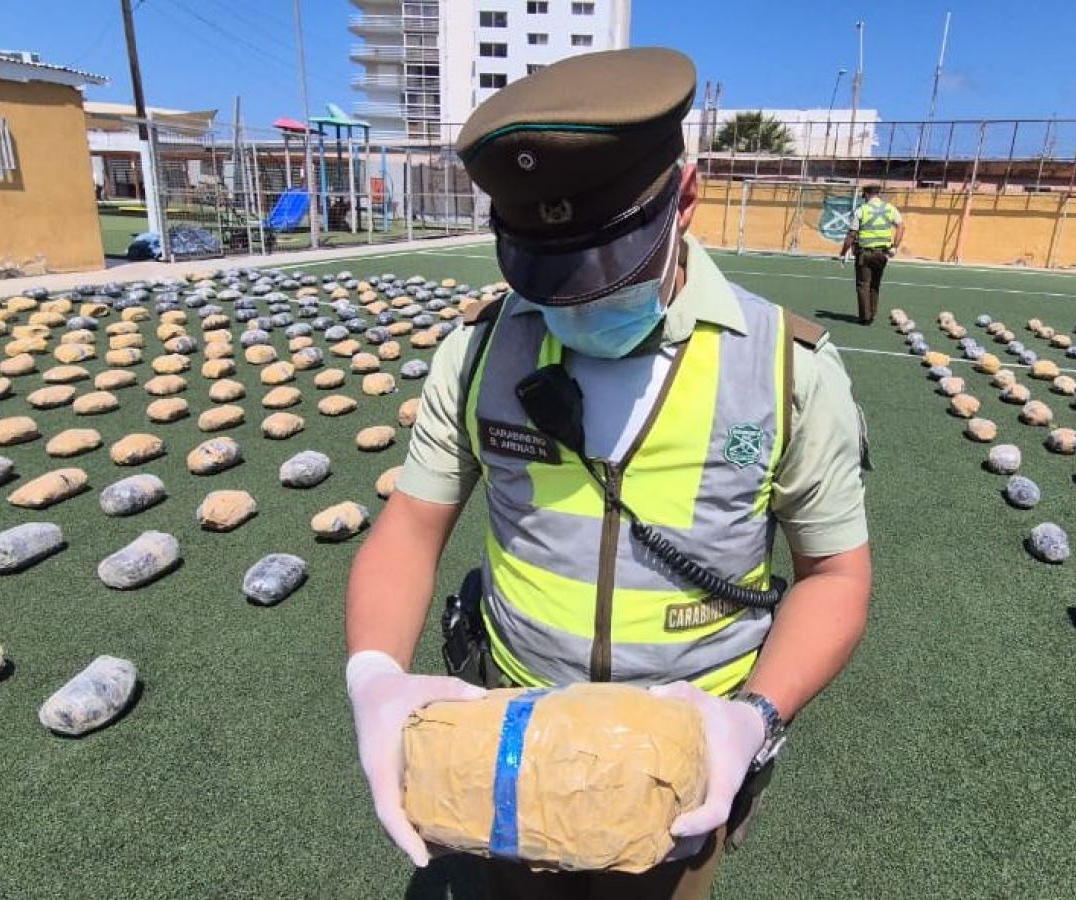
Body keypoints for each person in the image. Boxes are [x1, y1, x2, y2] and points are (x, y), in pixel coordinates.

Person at [344, 47, 871, 899]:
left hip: (679, 761)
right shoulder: (479, 350)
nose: (578, 309)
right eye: (551, 283)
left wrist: (755, 716)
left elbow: (836, 574)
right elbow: (410, 524)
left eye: (606, 276)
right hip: (509, 733)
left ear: (685, 201)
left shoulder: (788, 369)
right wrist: (372, 673)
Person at [837, 184, 903, 325]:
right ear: (878, 194)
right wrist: (895, 247)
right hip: (882, 254)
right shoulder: (890, 209)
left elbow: (851, 235)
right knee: (875, 285)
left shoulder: (861, 210)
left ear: (866, 195)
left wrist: (843, 253)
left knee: (863, 285)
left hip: (865, 254)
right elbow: (901, 226)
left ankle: (865, 317)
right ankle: (872, 314)